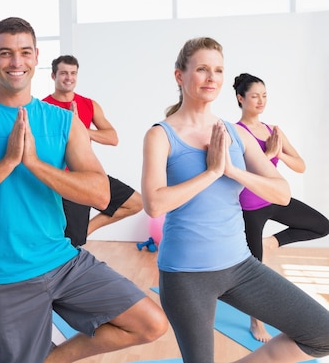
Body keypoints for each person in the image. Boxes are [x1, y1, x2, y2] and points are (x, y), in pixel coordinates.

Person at [0, 17, 167, 363]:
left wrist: (35, 164)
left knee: (149, 323)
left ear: (36, 56)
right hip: (2, 275)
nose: (16, 62)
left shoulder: (63, 121)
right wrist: (8, 162)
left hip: (63, 261)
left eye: (24, 52)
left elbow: (100, 193)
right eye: (6, 53)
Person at [141, 37, 329, 363]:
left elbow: (281, 193)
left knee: (322, 333)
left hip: (240, 268)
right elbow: (155, 204)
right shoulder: (161, 135)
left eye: (218, 70)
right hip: (186, 276)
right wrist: (211, 173)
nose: (212, 77)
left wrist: (232, 171)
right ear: (179, 76)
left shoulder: (236, 134)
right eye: (202, 69)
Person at [232, 72, 329, 342]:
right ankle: (255, 322)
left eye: (264, 95)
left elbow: (300, 165)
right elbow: (242, 171)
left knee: (322, 226)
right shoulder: (237, 132)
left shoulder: (273, 131)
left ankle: (272, 242)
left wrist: (279, 152)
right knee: (256, 268)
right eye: (254, 96)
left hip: (274, 197)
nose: (261, 101)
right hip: (250, 205)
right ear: (241, 98)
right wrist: (269, 155)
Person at [43, 55, 142, 247]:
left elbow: (112, 137)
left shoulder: (89, 105)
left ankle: (85, 230)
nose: (69, 78)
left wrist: (81, 128)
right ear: (53, 76)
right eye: (63, 73)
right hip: (63, 181)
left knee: (136, 202)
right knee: (72, 245)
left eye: (73, 73)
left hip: (88, 175)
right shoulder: (43, 107)